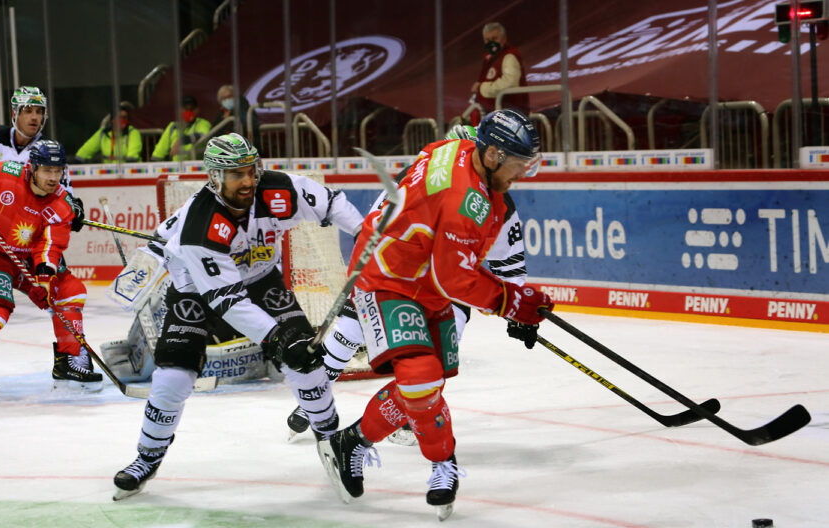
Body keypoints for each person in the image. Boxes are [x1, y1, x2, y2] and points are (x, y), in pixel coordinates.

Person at [318, 109, 553, 519]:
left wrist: (514, 298)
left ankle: (352, 441)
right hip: (386, 277)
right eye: (518, 165)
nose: (522, 175)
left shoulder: (461, 153)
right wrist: (513, 303)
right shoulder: (468, 199)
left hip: (421, 277)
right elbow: (455, 278)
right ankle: (444, 463)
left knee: (427, 385)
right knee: (421, 378)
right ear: (494, 154)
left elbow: (454, 260)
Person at [112, 133, 363, 500]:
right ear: (214, 178)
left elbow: (331, 203)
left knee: (305, 361)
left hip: (261, 280)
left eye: (250, 171)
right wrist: (276, 340)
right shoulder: (199, 224)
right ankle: (147, 457)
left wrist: (367, 232)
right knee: (172, 379)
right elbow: (227, 300)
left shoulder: (278, 189)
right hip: (196, 291)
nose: (247, 181)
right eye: (235, 175)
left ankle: (332, 439)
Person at [286, 124, 538, 443]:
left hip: (447, 287)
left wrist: (516, 311)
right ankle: (316, 401)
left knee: (434, 356)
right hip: (395, 272)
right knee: (350, 329)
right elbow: (377, 224)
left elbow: (509, 266)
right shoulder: (418, 174)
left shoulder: (496, 204)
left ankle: (403, 414)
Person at [0, 86, 94, 396]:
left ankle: (69, 360)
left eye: (39, 111)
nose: (54, 177)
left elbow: (52, 241)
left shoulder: (56, 188)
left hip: (26, 248)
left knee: (67, 290)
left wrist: (45, 276)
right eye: (48, 171)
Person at [469, 23, 527, 125]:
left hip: (508, 118)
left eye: (494, 38)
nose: (491, 43)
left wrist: (482, 88)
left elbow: (510, 83)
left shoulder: (509, 56)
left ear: (504, 39)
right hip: (494, 117)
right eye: (487, 40)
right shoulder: (490, 59)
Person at [74, 101, 142, 163]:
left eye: (125, 117)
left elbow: (133, 156)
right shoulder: (103, 133)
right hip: (108, 173)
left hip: (129, 172)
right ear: (112, 120)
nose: (122, 120)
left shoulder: (133, 132)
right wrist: (77, 162)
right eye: (119, 117)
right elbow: (84, 152)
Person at [150, 95, 211, 161]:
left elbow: (204, 136)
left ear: (197, 110)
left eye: (192, 109)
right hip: (175, 168)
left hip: (196, 166)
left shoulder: (203, 123)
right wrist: (153, 163)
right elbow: (159, 152)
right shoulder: (172, 127)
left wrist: (183, 140)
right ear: (179, 110)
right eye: (186, 109)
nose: (189, 112)